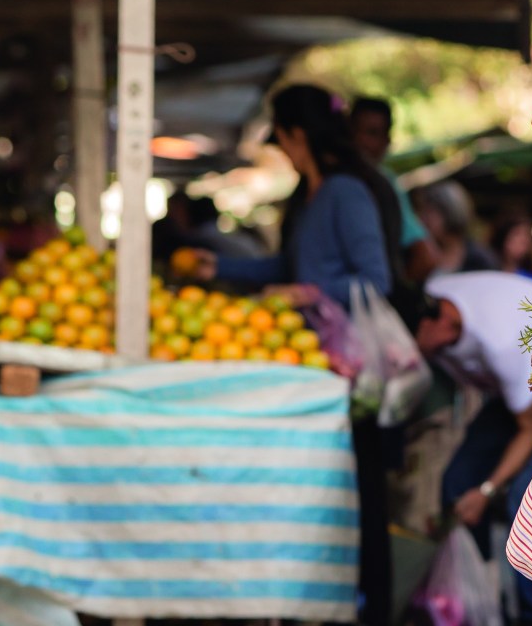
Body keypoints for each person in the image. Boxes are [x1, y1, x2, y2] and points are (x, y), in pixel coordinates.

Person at [191, 84, 404, 626]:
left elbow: (375, 279)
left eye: (281, 139)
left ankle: (366, 609)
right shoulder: (305, 198)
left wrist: (310, 295)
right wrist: (221, 270)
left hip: (352, 373)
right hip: (311, 371)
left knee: (360, 497)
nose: (281, 150)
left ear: (296, 135)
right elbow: (290, 268)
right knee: (320, 496)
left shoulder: (345, 192)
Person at [414, 271, 532, 626]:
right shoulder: (433, 293)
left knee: (527, 510)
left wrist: (487, 490)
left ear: (446, 323)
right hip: (512, 394)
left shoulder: (501, 343)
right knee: (456, 483)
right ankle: (481, 604)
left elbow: (529, 429)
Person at [350, 96, 442, 284]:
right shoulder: (343, 182)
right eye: (357, 132)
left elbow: (426, 257)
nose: (362, 141)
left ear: (387, 141)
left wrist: (394, 296)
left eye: (372, 133)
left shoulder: (384, 184)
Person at [411, 180, 498, 277]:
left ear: (448, 212)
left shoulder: (479, 259)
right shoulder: (420, 253)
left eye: (428, 212)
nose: (421, 219)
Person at [489, 210, 532, 283]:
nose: (524, 240)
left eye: (527, 235)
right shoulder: (487, 271)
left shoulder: (531, 278)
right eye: (517, 234)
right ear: (503, 237)